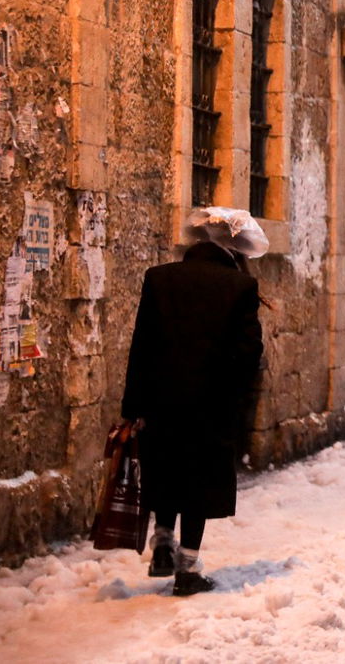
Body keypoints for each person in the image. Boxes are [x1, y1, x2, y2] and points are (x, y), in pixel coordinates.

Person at [121, 207, 266, 596]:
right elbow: (249, 352)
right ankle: (187, 569)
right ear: (233, 249)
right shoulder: (239, 286)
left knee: (166, 471)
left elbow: (142, 345)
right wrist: (234, 390)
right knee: (199, 481)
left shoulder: (159, 278)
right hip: (211, 404)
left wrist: (132, 407)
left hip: (160, 400)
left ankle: (162, 545)